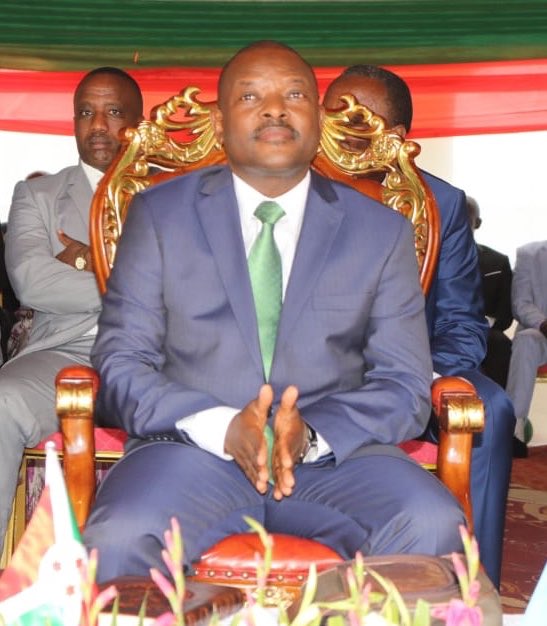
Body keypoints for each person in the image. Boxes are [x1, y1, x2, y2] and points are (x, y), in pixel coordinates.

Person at [82, 40, 465, 583]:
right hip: (190, 452)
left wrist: (309, 435)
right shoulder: (159, 216)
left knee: (432, 522)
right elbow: (121, 363)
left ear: (319, 118)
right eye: (250, 97)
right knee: (121, 534)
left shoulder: (380, 231)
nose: (275, 110)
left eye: (294, 95)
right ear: (219, 123)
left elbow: (404, 385)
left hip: (337, 458)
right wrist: (221, 426)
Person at [323, 65, 515, 589]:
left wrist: (414, 376)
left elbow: (461, 323)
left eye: (358, 119)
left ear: (397, 137)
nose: (340, 128)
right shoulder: (289, 184)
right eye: (331, 114)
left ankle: (473, 589)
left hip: (414, 369)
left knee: (489, 408)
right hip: (309, 370)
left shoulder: (440, 203)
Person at [0, 66, 143, 555]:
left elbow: (194, 285)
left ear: (138, 123)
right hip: (65, 352)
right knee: (3, 400)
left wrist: (86, 260)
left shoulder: (177, 192)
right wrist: (139, 283)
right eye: (85, 113)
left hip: (160, 355)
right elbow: (33, 282)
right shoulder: (37, 195)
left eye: (113, 112)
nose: (97, 125)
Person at [466, 196, 513, 389]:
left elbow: (505, 315)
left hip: (485, 333)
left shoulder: (498, 262)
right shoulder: (430, 258)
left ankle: (497, 402)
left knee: (499, 343)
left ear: (477, 223)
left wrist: (479, 323)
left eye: (466, 218)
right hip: (440, 331)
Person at [506, 240, 547, 457]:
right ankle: (515, 428)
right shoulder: (529, 254)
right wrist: (543, 323)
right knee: (526, 340)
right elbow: (520, 304)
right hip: (541, 332)